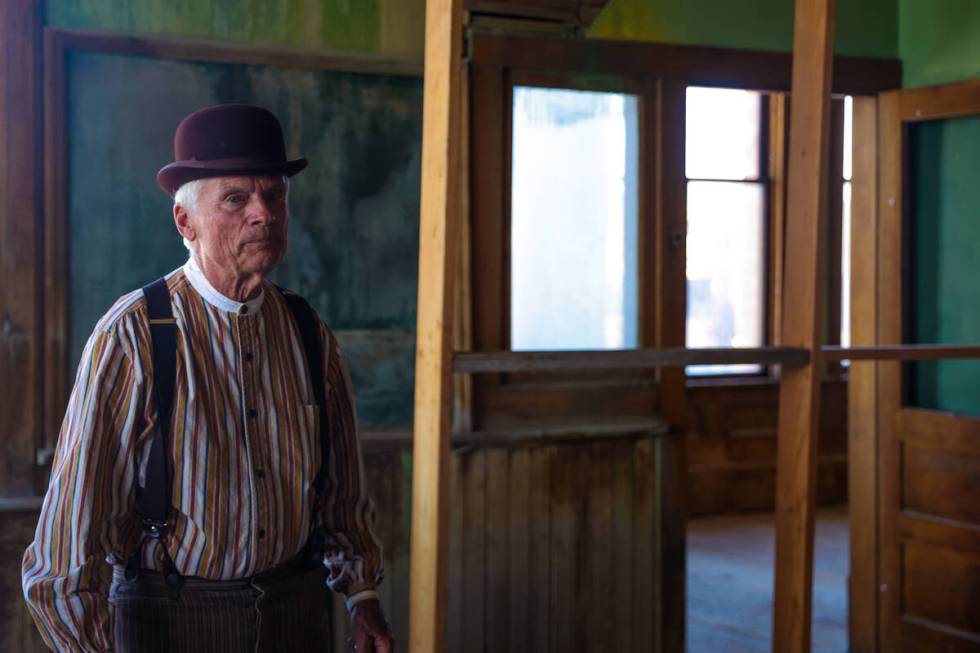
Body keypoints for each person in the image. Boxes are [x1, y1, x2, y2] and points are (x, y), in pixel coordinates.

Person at [22, 104, 395, 653]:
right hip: (170, 620)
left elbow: (340, 495)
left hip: (297, 615)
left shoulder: (306, 331)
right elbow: (68, 542)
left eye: (275, 194)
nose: (263, 213)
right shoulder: (132, 337)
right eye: (235, 199)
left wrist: (362, 597)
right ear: (185, 223)